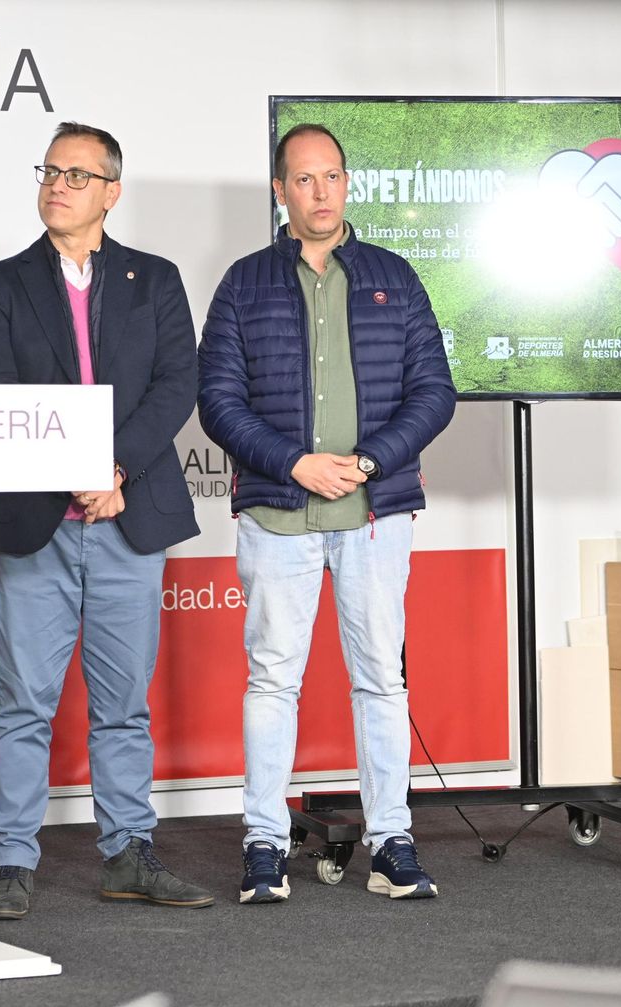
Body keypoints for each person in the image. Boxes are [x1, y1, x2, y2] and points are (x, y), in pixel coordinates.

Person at [197, 123, 456, 904]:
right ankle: (264, 845)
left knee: (381, 679)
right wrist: (294, 462)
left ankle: (391, 843)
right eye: (303, 180)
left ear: (348, 183)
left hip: (376, 514)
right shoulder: (243, 283)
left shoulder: (394, 277)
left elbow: (433, 392)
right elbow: (217, 401)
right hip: (279, 513)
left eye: (331, 177)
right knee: (272, 681)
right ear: (281, 190)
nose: (319, 192)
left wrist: (370, 461)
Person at [0, 122, 212, 920]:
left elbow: (178, 385)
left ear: (111, 192)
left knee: (123, 705)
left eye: (77, 174)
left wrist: (115, 470)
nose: (57, 184)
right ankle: (10, 861)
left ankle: (128, 852)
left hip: (125, 517)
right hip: (33, 518)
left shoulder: (155, 279)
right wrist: (70, 469)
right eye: (49, 170)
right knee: (22, 702)